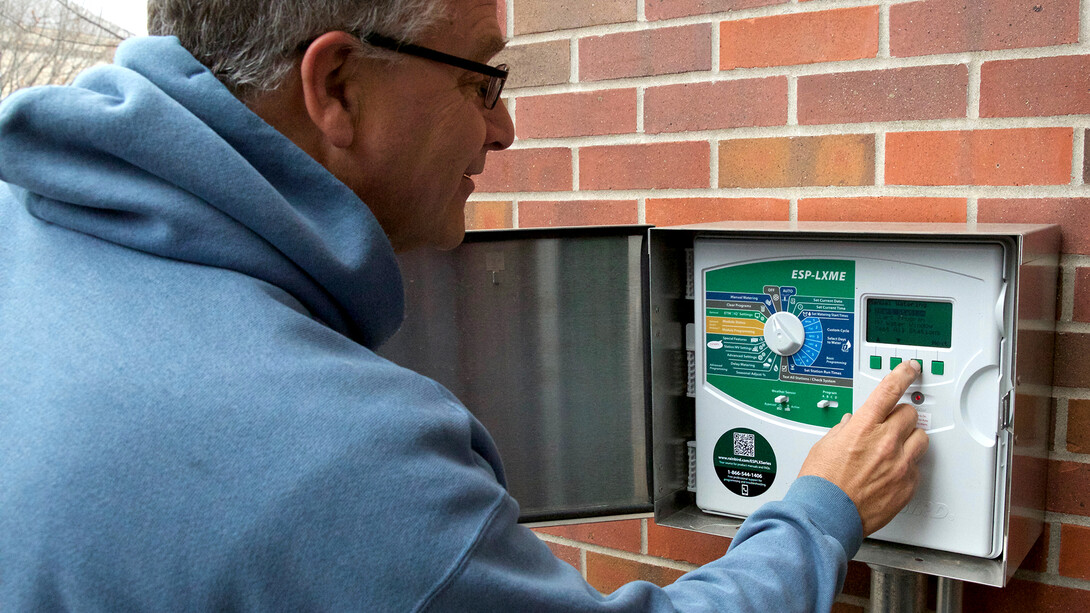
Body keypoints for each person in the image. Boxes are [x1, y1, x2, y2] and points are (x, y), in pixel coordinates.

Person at [0, 0, 928, 610]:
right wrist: (821, 507)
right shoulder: (342, 455)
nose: (505, 125)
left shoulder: (25, 223)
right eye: (480, 77)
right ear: (337, 88)